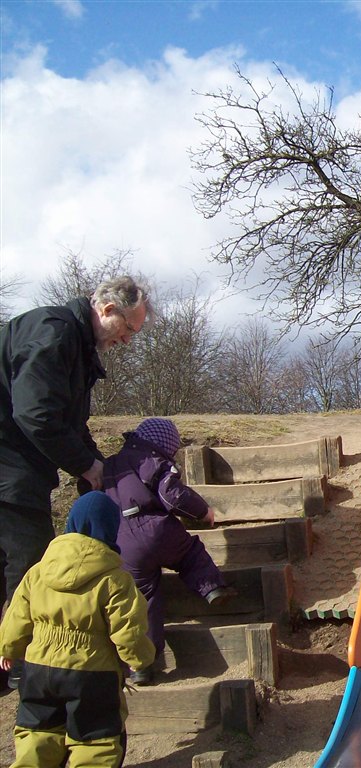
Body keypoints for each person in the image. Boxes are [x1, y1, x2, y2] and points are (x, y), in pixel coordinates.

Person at [0, 276, 149, 689]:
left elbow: (69, 422)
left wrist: (98, 465)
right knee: (31, 562)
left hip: (16, 467)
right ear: (107, 310)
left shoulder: (74, 345)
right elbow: (36, 415)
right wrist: (84, 465)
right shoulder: (54, 333)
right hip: (8, 469)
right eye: (128, 329)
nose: (127, 340)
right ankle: (30, 671)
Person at [0, 491, 155, 768]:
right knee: (94, 739)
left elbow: (17, 614)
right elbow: (128, 628)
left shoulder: (38, 571)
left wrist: (8, 648)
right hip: (92, 671)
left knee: (38, 731)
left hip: (38, 668)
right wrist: (138, 658)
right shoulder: (115, 579)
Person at [103, 417, 233, 685]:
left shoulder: (111, 464)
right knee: (190, 554)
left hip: (123, 541)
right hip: (157, 529)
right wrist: (203, 512)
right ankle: (212, 588)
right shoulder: (152, 461)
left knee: (143, 600)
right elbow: (172, 495)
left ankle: (142, 664)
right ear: (164, 445)